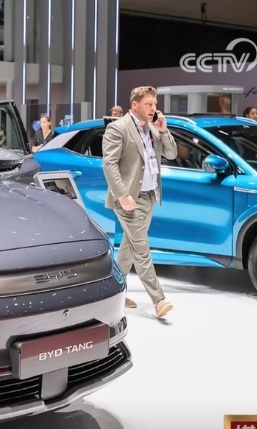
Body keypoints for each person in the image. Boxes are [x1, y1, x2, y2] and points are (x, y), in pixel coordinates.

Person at [101, 86, 175, 318]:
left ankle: (112, 291)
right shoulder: (118, 128)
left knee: (128, 249)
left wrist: (163, 130)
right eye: (148, 104)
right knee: (141, 250)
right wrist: (122, 195)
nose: (153, 108)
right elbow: (109, 164)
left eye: (155, 104)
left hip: (149, 196)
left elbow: (172, 153)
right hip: (129, 199)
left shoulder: (152, 128)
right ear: (135, 105)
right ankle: (159, 300)